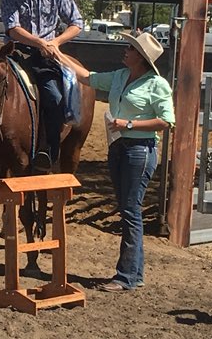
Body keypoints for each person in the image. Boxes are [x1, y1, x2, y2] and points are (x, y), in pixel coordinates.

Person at [57, 31, 174, 292]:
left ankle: (126, 276)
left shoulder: (157, 85)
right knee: (129, 209)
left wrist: (128, 124)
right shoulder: (120, 76)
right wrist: (58, 54)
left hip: (140, 149)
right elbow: (87, 77)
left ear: (140, 57)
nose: (125, 51)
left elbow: (166, 121)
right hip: (120, 147)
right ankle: (134, 273)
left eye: (130, 49)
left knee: (130, 211)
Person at [0, 0, 85, 170]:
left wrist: (56, 42)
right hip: (16, 52)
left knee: (54, 97)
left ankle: (48, 148)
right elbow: (13, 29)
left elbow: (77, 23)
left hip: (46, 56)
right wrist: (39, 42)